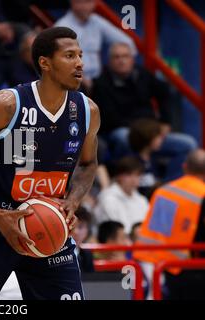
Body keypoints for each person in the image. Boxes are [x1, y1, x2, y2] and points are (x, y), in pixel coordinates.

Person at [0, 26, 100, 300]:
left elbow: (88, 164)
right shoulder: (7, 105)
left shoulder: (87, 111)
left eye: (81, 56)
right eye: (70, 55)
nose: (80, 64)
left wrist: (72, 201)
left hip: (50, 233)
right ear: (45, 63)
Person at [93, 42, 197, 181]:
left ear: (132, 59)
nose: (121, 60)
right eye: (116, 57)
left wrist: (165, 122)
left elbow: (165, 93)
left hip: (151, 131)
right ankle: (137, 179)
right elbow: (109, 119)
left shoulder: (142, 74)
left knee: (188, 143)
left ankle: (167, 184)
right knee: (123, 137)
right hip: (123, 131)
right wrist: (146, 131)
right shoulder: (100, 84)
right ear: (109, 61)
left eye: (125, 56)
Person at [133, 149, 205, 300]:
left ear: (185, 167)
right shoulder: (202, 194)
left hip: (149, 261)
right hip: (183, 268)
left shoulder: (163, 190)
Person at [55, 0, 136, 92]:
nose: (86, 6)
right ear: (73, 3)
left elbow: (127, 42)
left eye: (89, 2)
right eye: (81, 2)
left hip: (98, 81)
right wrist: (81, 78)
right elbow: (61, 61)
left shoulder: (96, 21)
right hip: (73, 82)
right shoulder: (62, 26)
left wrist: (121, 61)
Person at [94, 156, 149, 234]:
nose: (133, 179)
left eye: (137, 175)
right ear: (119, 176)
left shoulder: (142, 200)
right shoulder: (108, 198)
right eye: (129, 174)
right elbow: (115, 233)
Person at [72, 207, 95, 273]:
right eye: (72, 226)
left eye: (80, 227)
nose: (75, 232)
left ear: (87, 231)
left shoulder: (87, 255)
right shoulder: (56, 255)